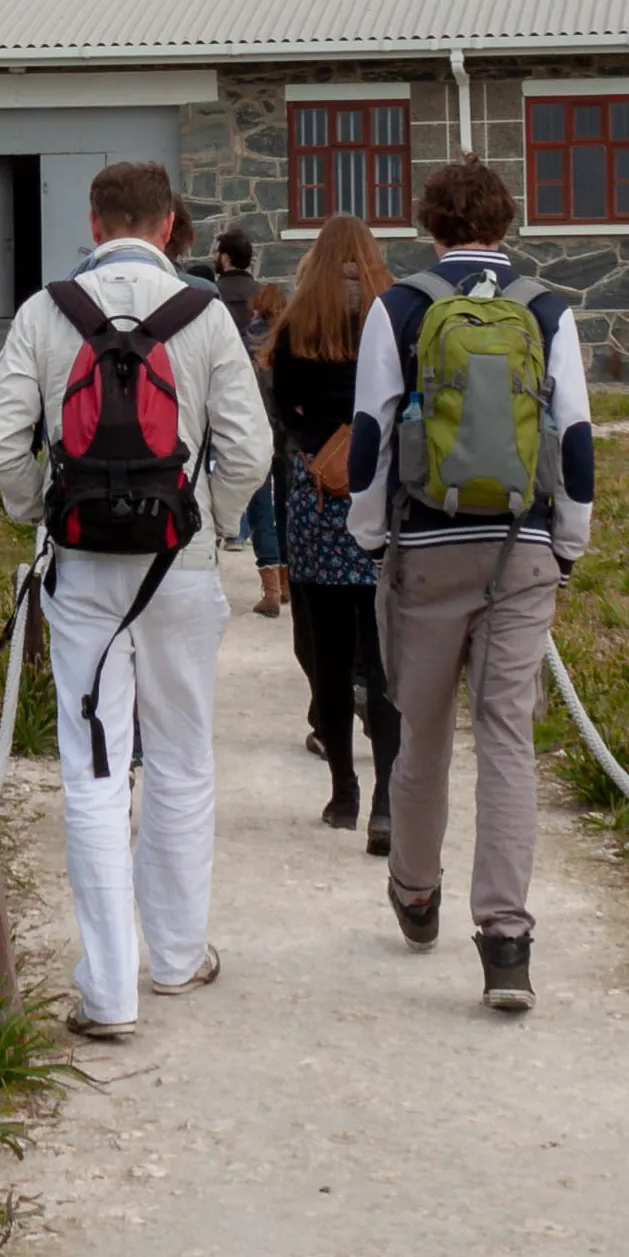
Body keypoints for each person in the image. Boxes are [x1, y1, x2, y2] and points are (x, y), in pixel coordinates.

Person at [0, 157, 273, 1043]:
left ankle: (108, 994)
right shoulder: (208, 314)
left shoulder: (45, 312)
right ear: (173, 225)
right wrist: (208, 526)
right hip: (177, 564)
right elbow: (249, 453)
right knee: (182, 755)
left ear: (97, 227)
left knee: (93, 766)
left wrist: (43, 514)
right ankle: (178, 957)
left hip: (80, 566)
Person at [347, 156, 596, 1015]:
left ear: (429, 225)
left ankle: (417, 894)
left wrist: (371, 533)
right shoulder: (548, 309)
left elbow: (373, 430)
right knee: (507, 740)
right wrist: (568, 542)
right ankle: (506, 941)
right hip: (520, 549)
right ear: (506, 221)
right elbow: (575, 438)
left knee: (421, 734)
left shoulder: (400, 307)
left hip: (427, 546)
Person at [261, 216, 400, 843]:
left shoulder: (295, 325)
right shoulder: (392, 315)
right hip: (379, 495)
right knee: (384, 657)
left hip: (316, 493)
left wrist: (318, 442)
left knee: (331, 654)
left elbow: (283, 401)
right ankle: (387, 803)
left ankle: (343, 792)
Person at [211, 229, 285, 612]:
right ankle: (276, 580)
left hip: (226, 400)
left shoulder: (211, 297)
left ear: (224, 258)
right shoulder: (262, 295)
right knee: (271, 497)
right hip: (271, 409)